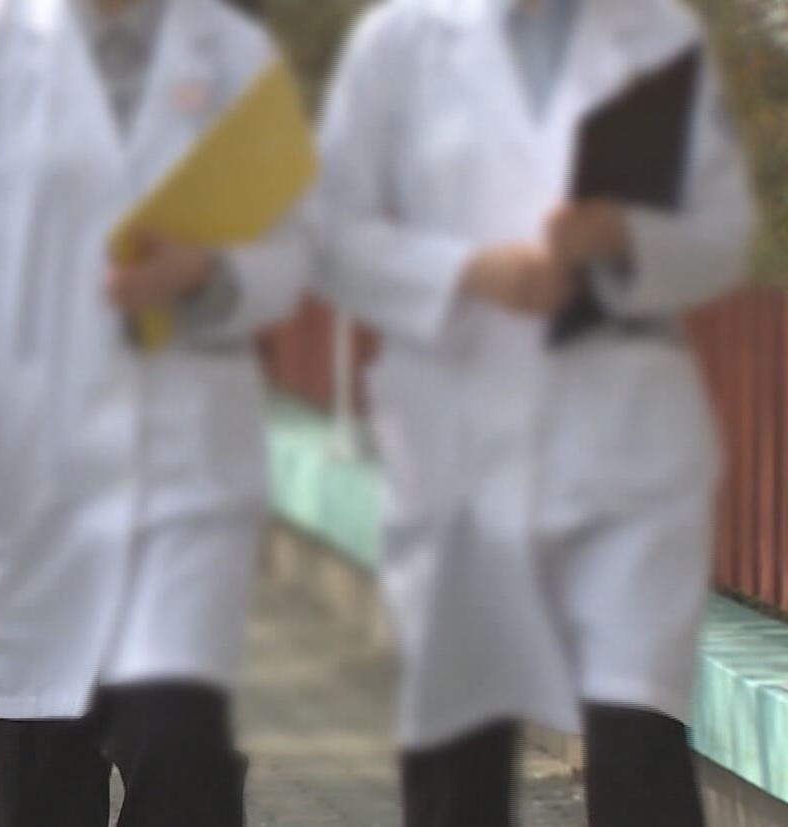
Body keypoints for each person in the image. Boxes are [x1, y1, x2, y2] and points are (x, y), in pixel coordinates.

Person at [0, 0, 310, 823]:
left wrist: (207, 274)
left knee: (190, 771)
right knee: (38, 797)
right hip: (20, 498)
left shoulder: (229, 54)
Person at [308, 0, 754, 824]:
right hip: (458, 435)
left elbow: (723, 235)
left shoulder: (655, 32)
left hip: (624, 437)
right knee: (458, 752)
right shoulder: (398, 41)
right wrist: (467, 273)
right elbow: (327, 234)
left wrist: (625, 236)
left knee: (637, 739)